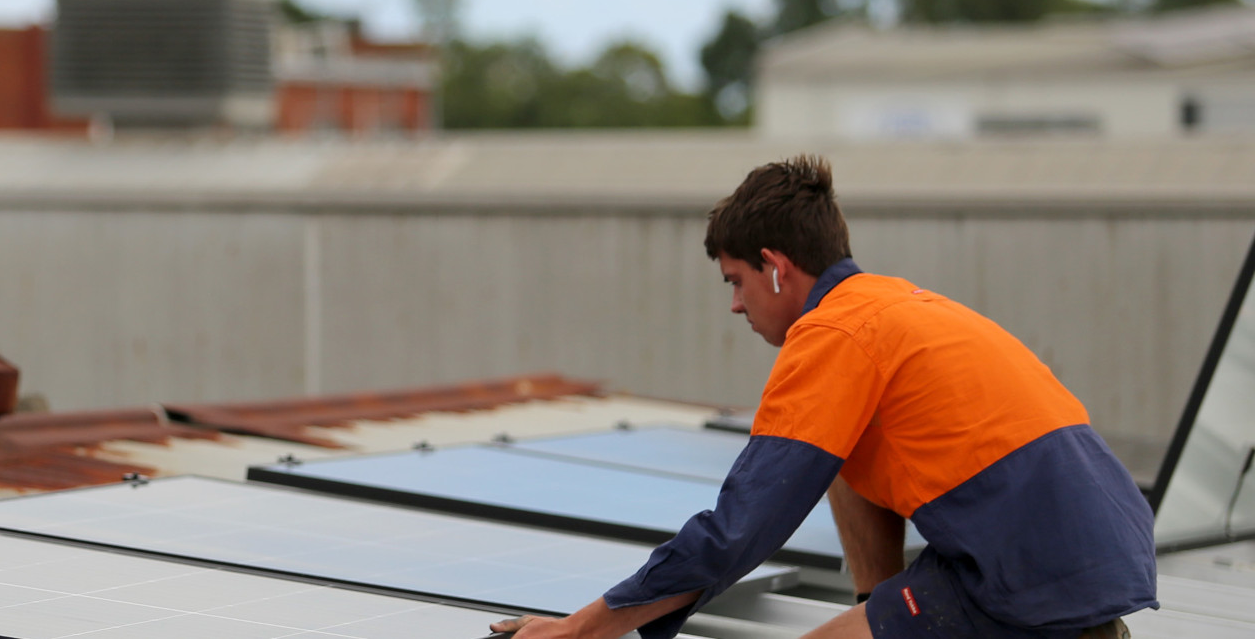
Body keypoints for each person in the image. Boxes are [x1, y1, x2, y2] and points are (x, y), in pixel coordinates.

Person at [490, 156, 1156, 638]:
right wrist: (877, 607)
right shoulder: (893, 305)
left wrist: (585, 628)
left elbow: (740, 528)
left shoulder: (832, 333)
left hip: (1027, 576)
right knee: (841, 453)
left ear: (776, 269)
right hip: (1099, 550)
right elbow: (843, 466)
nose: (733, 305)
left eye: (735, 281)